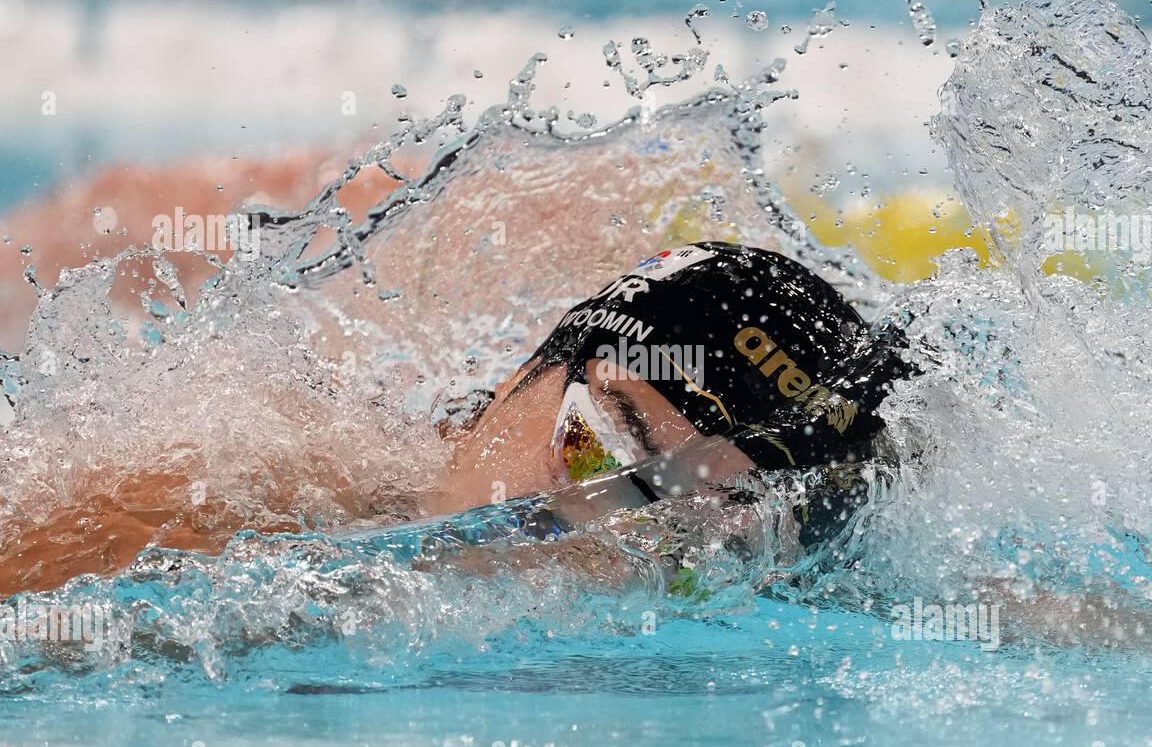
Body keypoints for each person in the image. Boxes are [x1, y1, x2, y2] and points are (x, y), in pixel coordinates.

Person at [0, 242, 911, 594]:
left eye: (693, 530)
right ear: (538, 370)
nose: (608, 527)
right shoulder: (224, 486)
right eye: (602, 444)